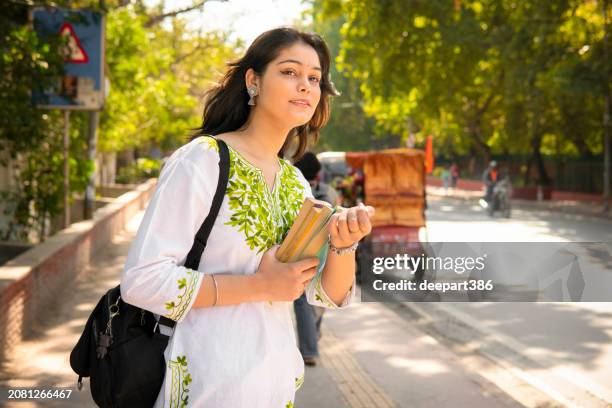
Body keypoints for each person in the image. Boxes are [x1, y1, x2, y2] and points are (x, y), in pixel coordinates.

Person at [120, 27, 375, 408]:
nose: (305, 85)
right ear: (253, 81)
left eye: (314, 78)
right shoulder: (202, 160)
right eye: (289, 72)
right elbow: (142, 281)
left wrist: (344, 244)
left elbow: (324, 294)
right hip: (203, 386)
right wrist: (260, 286)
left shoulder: (295, 183)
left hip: (274, 387)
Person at [292, 152, 339, 366]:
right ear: (318, 172)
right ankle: (314, 333)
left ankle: (309, 349)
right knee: (319, 295)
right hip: (327, 252)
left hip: (303, 250)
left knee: (302, 299)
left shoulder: (295, 189)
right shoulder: (329, 192)